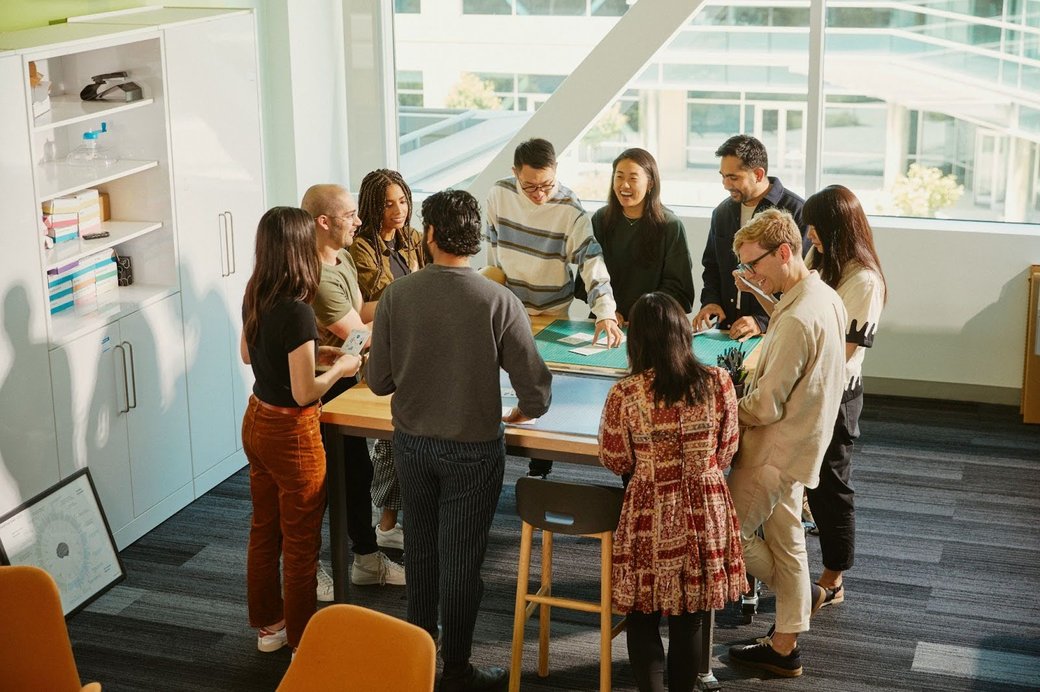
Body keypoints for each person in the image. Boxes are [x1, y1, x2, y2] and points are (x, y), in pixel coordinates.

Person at [367, 189, 552, 692]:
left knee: (421, 550)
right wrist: (521, 411)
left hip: (411, 444)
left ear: (428, 235)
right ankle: (457, 669)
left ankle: (417, 657)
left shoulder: (397, 296)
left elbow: (379, 381)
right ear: (477, 239)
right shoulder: (499, 301)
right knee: (462, 558)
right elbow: (535, 390)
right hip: (472, 448)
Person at [599, 292, 745, 692]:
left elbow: (614, 458)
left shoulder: (626, 394)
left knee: (643, 613)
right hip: (705, 510)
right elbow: (728, 448)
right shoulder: (718, 382)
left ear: (637, 342)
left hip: (650, 510)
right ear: (684, 333)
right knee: (691, 616)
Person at [724, 208, 847, 677]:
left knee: (726, 534)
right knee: (788, 541)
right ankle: (784, 644)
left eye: (754, 265)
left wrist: (718, 406)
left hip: (772, 450)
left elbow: (765, 406)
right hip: (804, 445)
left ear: (784, 251)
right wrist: (760, 292)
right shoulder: (821, 296)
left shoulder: (796, 320)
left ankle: (799, 608)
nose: (749, 275)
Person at [240, 206, 362, 653]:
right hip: (291, 434)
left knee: (264, 529)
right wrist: (343, 365)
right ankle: (303, 645)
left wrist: (317, 357)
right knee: (301, 542)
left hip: (255, 419)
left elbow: (249, 355)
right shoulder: (297, 311)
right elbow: (305, 392)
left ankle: (270, 629)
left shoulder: (257, 292)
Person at [486, 137, 621, 478]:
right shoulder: (498, 195)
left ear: (556, 172)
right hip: (508, 307)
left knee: (545, 385)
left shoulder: (570, 209)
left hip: (551, 312)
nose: (539, 193)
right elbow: (492, 254)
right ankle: (489, 452)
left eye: (546, 184)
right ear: (515, 173)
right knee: (494, 380)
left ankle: (539, 465)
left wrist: (605, 310)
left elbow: (592, 261)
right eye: (529, 186)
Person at [300, 184, 405, 597]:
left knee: (357, 474)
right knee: (318, 489)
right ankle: (309, 571)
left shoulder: (342, 257)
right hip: (320, 392)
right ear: (323, 222)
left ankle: (364, 558)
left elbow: (360, 313)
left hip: (345, 382)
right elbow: (357, 337)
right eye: (350, 216)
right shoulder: (320, 275)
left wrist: (402, 296)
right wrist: (407, 308)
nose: (360, 222)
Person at [801, 185, 887, 607]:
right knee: (808, 484)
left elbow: (844, 349)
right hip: (809, 386)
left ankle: (833, 578)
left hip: (836, 395)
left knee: (832, 488)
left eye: (817, 226)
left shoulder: (864, 279)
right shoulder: (820, 260)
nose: (810, 234)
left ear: (838, 228)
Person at [351, 169, 430, 552]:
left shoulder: (412, 239)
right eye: (387, 203)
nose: (398, 210)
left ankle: (392, 520)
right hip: (380, 351)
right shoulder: (360, 249)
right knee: (387, 444)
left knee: (406, 439)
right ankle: (384, 523)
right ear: (371, 206)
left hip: (414, 347)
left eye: (402, 200)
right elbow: (366, 309)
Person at [692, 134, 807, 341]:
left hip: (776, 330)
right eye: (723, 176)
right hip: (727, 328)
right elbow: (711, 266)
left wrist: (761, 320)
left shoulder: (796, 211)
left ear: (759, 174)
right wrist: (711, 301)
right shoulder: (722, 213)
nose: (726, 184)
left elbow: (801, 279)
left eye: (733, 177)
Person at [587, 148, 695, 323]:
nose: (624, 185)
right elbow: (590, 272)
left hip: (653, 323)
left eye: (633, 178)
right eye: (619, 176)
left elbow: (677, 288)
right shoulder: (601, 219)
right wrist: (606, 310)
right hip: (607, 320)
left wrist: (643, 314)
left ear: (650, 183)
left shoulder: (671, 226)